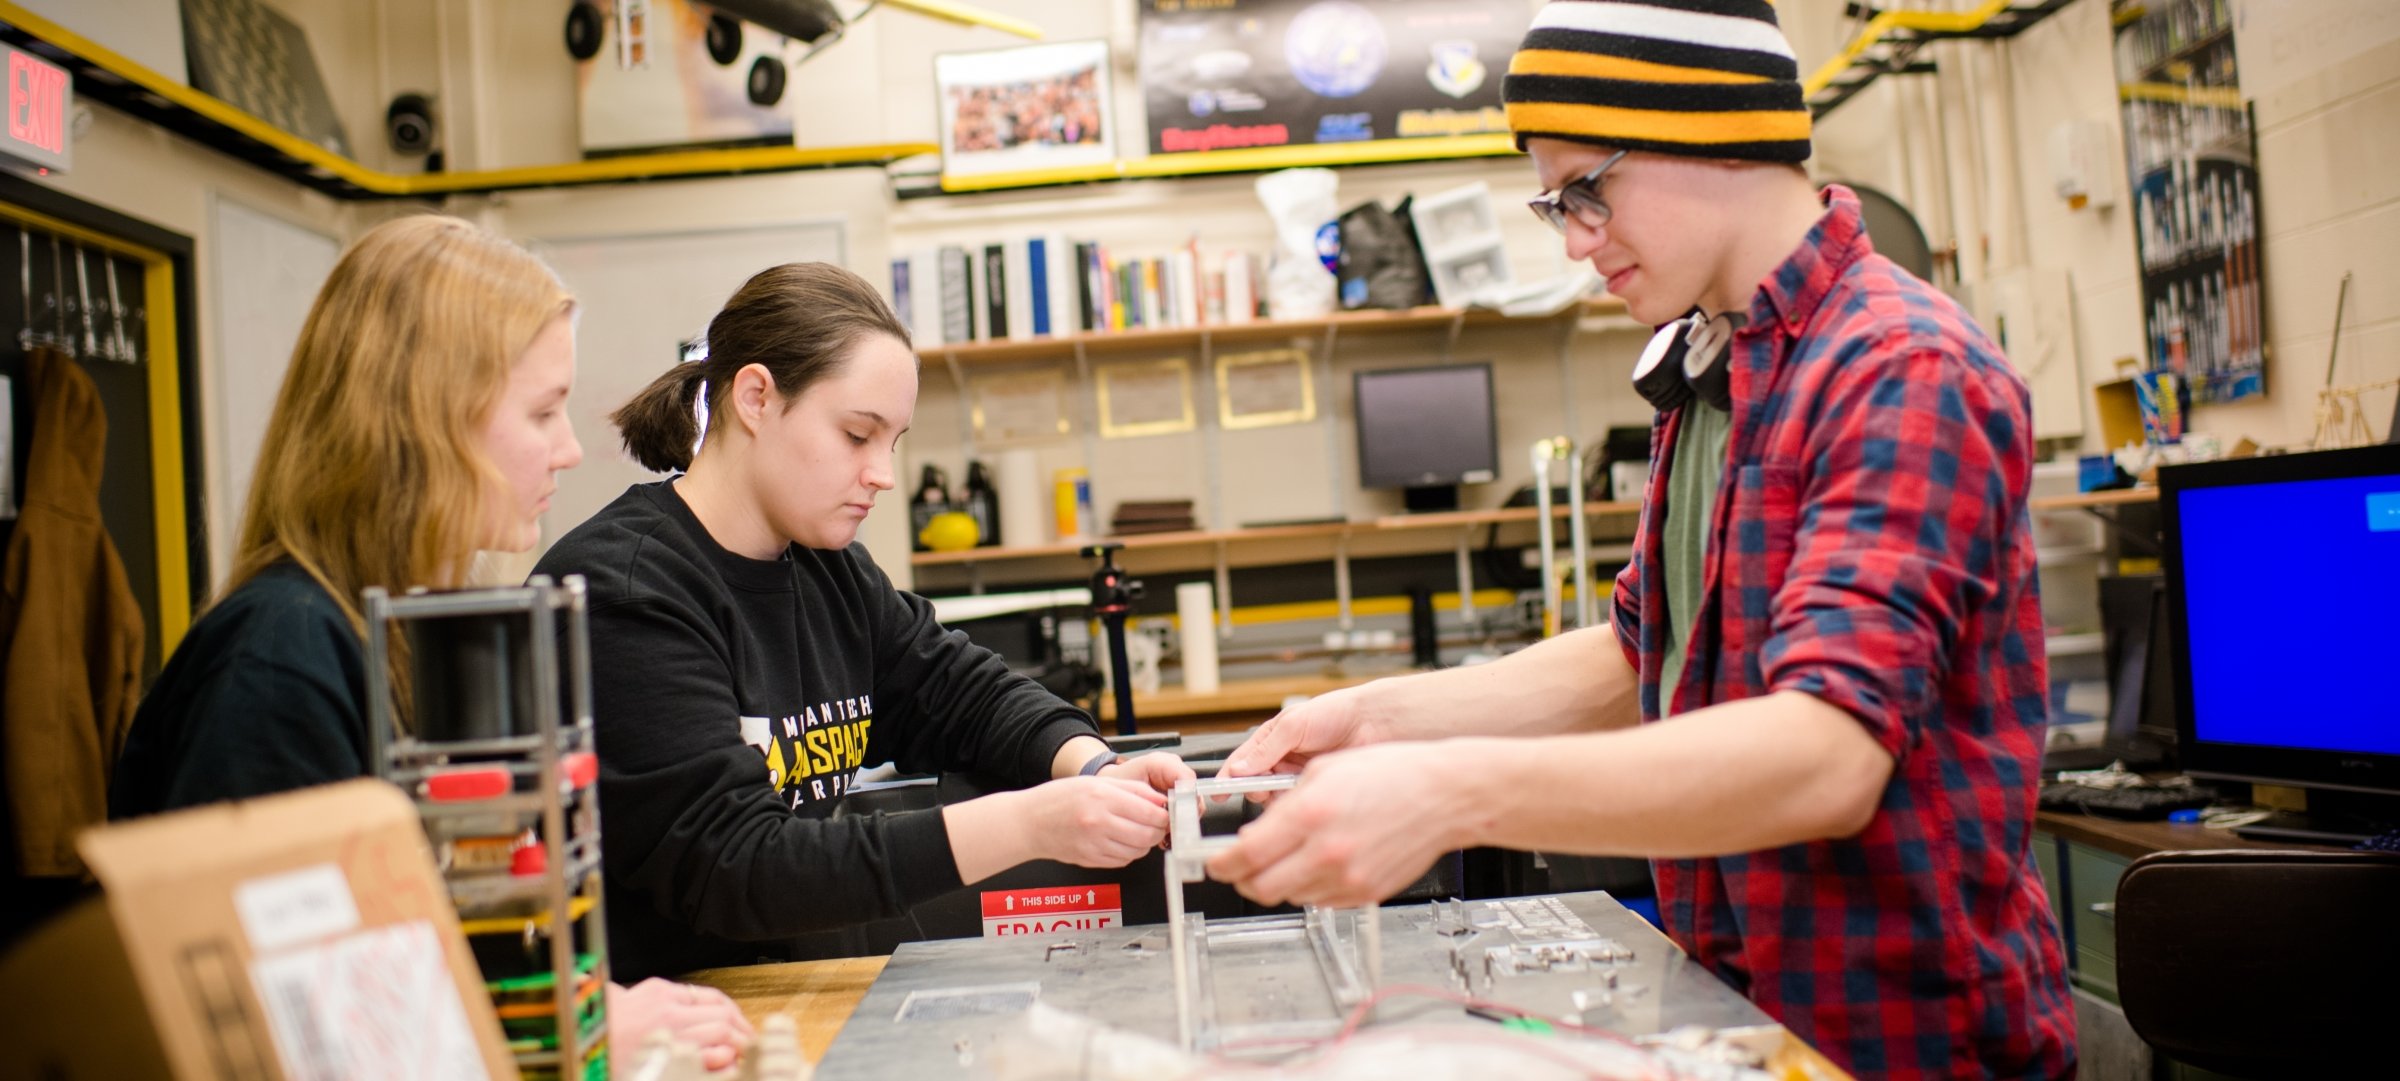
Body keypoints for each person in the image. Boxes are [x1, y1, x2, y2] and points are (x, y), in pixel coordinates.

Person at [1206, 3, 2075, 1077]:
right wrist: (1370, 719)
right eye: (1553, 204)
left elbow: (1828, 756)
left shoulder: (1900, 368)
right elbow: (1640, 649)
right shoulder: (1714, 371)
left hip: (1904, 1041)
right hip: (1748, 1019)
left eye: (1588, 189)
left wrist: (1449, 791)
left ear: (1706, 127)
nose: (1574, 240)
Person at [107, 215, 754, 1070]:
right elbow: (290, 1031)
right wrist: (562, 1038)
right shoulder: (278, 665)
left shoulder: (416, 639)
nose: (568, 450)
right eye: (543, 411)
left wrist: (570, 1005)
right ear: (425, 422)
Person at [534, 261, 1191, 982]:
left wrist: (1096, 769)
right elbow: (737, 865)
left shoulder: (828, 568)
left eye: (893, 442)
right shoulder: (625, 590)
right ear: (755, 397)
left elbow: (961, 693)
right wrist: (1035, 823)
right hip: (666, 1023)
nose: (881, 472)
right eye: (857, 434)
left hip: (785, 992)